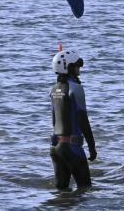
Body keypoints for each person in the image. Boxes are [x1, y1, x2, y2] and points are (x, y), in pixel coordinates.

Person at [50, 48, 97, 189]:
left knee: (61, 192)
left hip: (55, 148)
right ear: (69, 67)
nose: (79, 69)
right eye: (77, 66)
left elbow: (54, 121)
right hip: (72, 148)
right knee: (85, 189)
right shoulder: (75, 88)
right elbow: (83, 119)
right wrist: (92, 147)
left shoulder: (53, 89)